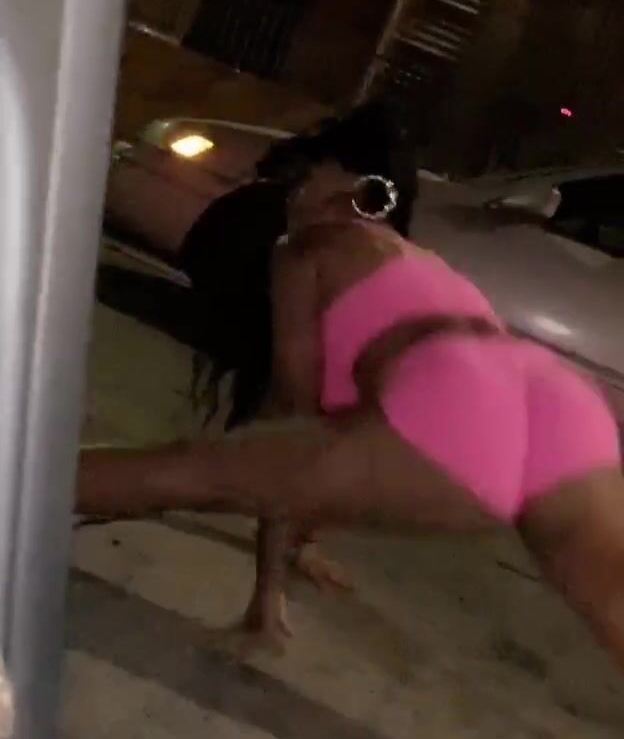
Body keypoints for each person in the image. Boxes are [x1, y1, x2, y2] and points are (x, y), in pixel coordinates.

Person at [81, 104, 624, 670]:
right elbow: (337, 463)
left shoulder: (308, 248)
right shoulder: (426, 261)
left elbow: (290, 425)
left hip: (459, 403)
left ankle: (28, 487)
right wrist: (302, 542)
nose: (294, 197)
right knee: (612, 603)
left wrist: (266, 597)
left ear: (355, 185)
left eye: (305, 179)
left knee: (188, 470)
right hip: (563, 403)